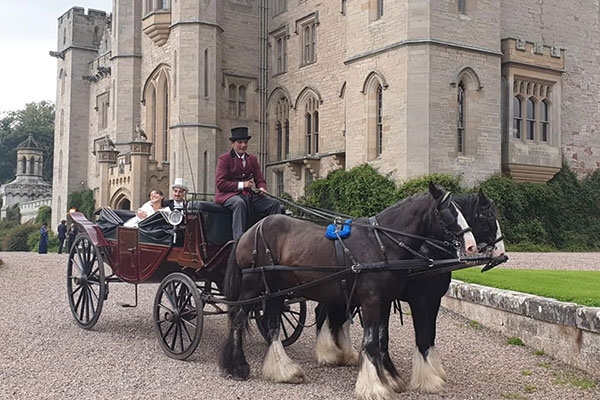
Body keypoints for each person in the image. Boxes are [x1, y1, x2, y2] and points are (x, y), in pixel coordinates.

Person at [215, 127, 281, 240]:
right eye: (240, 142)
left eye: (245, 142)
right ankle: (239, 240)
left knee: (274, 204)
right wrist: (242, 185)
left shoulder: (252, 160)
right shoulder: (224, 159)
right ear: (232, 143)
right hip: (228, 196)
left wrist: (262, 188)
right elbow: (220, 184)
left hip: (248, 196)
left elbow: (260, 179)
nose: (243, 145)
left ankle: (273, 238)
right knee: (239, 203)